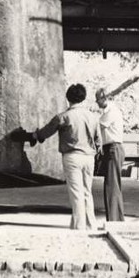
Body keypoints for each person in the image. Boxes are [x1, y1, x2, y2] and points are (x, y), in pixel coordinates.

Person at [25, 84, 102, 230]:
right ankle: (91, 225)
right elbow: (99, 141)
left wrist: (33, 135)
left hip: (72, 157)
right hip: (89, 157)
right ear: (83, 97)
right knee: (87, 192)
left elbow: (45, 133)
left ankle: (79, 227)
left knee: (76, 193)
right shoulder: (93, 117)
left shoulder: (63, 117)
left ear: (68, 98)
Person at [95, 87, 126, 223]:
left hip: (113, 148)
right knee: (112, 185)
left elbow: (97, 126)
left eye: (98, 100)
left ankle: (114, 220)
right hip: (111, 148)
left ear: (104, 98)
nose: (97, 103)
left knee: (112, 186)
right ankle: (115, 218)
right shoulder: (110, 111)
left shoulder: (111, 111)